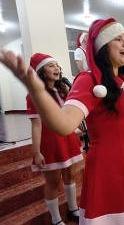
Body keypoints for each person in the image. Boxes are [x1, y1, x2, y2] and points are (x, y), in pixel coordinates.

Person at [0, 18, 124, 225]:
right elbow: (65, 124)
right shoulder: (88, 79)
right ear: (102, 47)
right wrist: (36, 89)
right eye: (118, 39)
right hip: (108, 168)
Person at [27, 53, 83, 225]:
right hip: (50, 143)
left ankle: (73, 209)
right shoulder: (34, 95)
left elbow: (70, 117)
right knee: (52, 183)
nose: (57, 68)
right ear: (41, 71)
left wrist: (82, 129)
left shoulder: (63, 91)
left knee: (70, 176)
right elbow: (36, 125)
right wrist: (36, 152)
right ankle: (56, 219)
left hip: (68, 139)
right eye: (51, 65)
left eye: (57, 65)